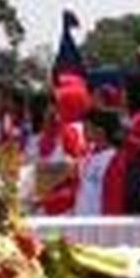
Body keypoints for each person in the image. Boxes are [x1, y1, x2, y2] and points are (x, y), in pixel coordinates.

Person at [32, 74, 90, 215]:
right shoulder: (40, 136)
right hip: (42, 206)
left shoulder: (73, 132)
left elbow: (76, 170)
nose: (51, 110)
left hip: (63, 208)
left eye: (55, 103)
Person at [69, 109, 127, 216]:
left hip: (99, 221)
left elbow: (114, 196)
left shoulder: (114, 159)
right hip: (80, 218)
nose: (83, 132)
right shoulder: (87, 154)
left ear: (100, 131)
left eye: (87, 128)